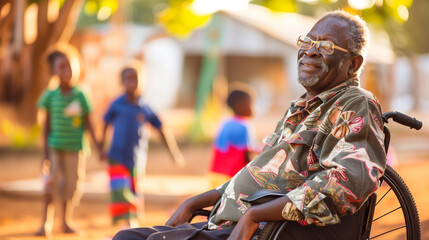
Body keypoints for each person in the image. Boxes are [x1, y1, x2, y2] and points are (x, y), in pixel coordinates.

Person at [113, 10, 386, 240]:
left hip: (268, 230)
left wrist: (255, 214)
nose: (309, 53)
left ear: (353, 64)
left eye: (325, 47)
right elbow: (259, 173)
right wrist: (196, 201)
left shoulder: (355, 104)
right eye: (307, 42)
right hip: (231, 223)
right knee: (128, 236)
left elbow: (349, 180)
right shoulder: (300, 108)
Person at [100, 65, 185, 229]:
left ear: (142, 82)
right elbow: (104, 123)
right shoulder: (116, 104)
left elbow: (162, 129)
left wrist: (174, 154)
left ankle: (132, 220)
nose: (133, 83)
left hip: (136, 158)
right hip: (116, 155)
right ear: (122, 82)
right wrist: (100, 147)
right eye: (129, 79)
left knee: (134, 190)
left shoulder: (145, 107)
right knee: (120, 189)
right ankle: (126, 221)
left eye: (136, 79)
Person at [36, 46, 101, 237]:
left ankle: (65, 221)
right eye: (62, 67)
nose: (66, 71)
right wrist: (45, 154)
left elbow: (89, 124)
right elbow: (46, 127)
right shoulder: (50, 96)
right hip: (55, 148)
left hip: (75, 149)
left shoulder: (81, 95)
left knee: (71, 186)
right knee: (51, 184)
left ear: (77, 69)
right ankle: (45, 223)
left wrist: (99, 147)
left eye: (70, 67)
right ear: (54, 71)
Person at [209, 87, 260, 189]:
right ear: (241, 106)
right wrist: (268, 147)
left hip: (216, 173)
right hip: (233, 177)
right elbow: (250, 148)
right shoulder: (244, 125)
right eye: (250, 104)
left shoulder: (225, 122)